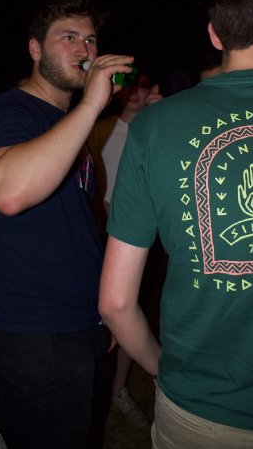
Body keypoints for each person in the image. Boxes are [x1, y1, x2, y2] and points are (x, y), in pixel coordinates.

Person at [98, 0, 253, 447]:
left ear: (215, 34)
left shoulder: (153, 127)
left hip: (197, 414)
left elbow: (115, 302)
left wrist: (162, 368)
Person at [0, 0, 136, 449]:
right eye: (69, 37)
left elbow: (75, 228)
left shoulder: (66, 124)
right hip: (33, 338)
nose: (84, 50)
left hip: (75, 326)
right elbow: (8, 193)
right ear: (35, 48)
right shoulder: (9, 112)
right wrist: (90, 107)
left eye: (91, 40)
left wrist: (100, 313)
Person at [88, 72, 163, 428]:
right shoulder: (97, 128)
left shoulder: (157, 126)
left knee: (132, 311)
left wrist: (161, 116)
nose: (135, 92)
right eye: (130, 86)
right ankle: (91, 389)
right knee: (97, 313)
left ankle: (118, 389)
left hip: (141, 238)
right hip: (98, 233)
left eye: (142, 86)